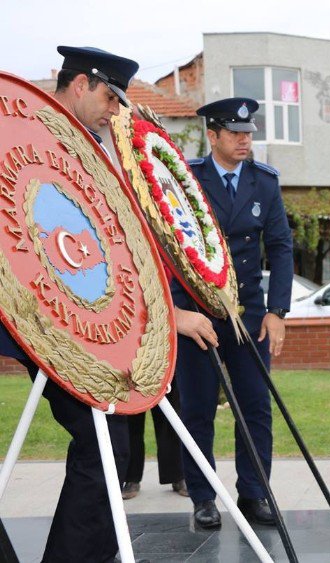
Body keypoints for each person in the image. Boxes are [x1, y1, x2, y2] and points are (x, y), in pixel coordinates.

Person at [0, 45, 138, 563]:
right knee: (105, 445)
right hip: (21, 311)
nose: (114, 111)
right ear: (80, 85)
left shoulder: (93, 156)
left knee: (106, 444)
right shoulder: (20, 123)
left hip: (70, 326)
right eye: (108, 97)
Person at [171, 97, 293, 528]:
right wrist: (175, 309)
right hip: (197, 312)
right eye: (236, 134)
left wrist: (277, 310)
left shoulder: (264, 182)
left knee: (256, 407)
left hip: (250, 314)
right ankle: (203, 497)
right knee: (198, 407)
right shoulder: (186, 179)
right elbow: (168, 247)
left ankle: (255, 494)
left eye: (249, 134)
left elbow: (280, 248)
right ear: (213, 136)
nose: (245, 141)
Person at [121, 381, 188, 499]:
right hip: (130, 368)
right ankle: (131, 478)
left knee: (170, 420)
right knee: (131, 420)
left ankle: (176, 476)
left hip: (165, 366)